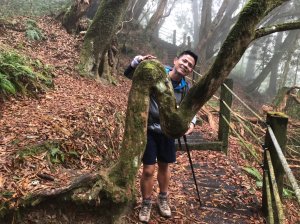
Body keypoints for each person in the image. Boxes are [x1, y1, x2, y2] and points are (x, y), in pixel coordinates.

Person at [124, 50, 198, 223]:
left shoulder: (185, 88)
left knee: (164, 167)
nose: (186, 65)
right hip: (148, 129)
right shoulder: (156, 73)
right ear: (175, 59)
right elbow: (129, 74)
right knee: (148, 169)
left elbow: (191, 108)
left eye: (190, 65)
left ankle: (163, 199)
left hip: (168, 131)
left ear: (191, 70)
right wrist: (138, 61)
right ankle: (146, 202)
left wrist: (192, 123)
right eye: (184, 61)